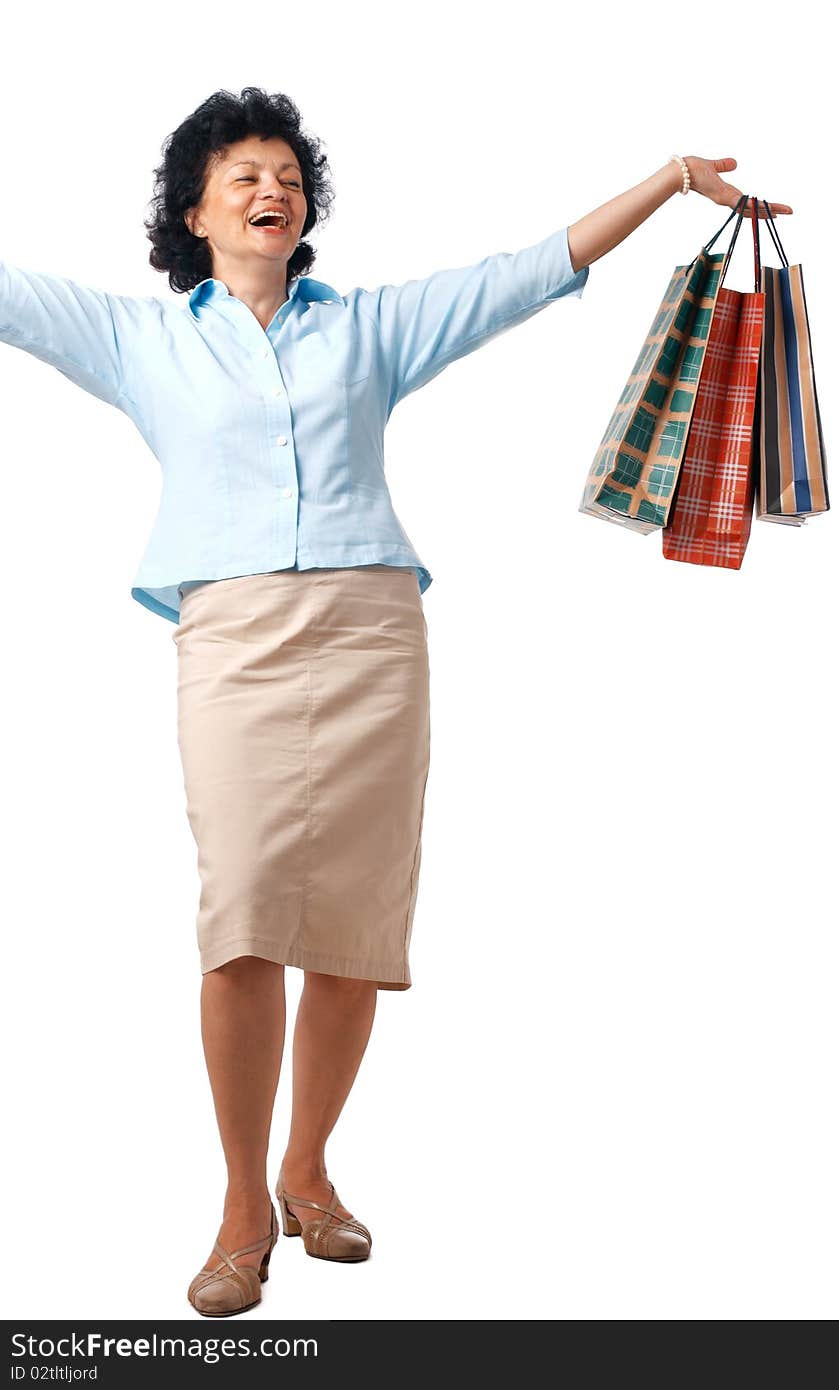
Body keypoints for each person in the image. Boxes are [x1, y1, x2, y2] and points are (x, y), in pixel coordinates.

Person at [0, 85, 792, 1317]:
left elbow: (524, 274)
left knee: (357, 924)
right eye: (246, 175)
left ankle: (309, 1167)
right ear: (194, 210)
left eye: (289, 177)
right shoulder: (135, 338)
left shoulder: (366, 328)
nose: (275, 191)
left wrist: (671, 179)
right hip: (234, 638)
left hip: (372, 635)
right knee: (245, 917)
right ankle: (238, 1203)